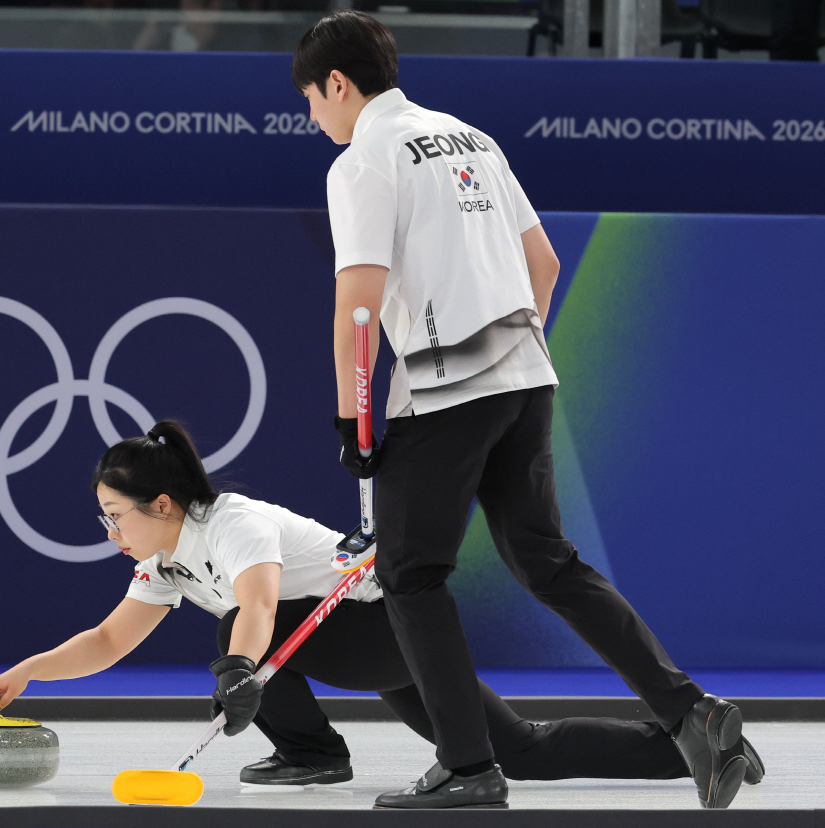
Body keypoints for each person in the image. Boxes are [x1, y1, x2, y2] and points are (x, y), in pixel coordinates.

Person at [296, 10, 758, 810]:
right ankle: (691, 709)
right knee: (549, 562)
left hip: (442, 394)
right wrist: (511, 355)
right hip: (526, 374)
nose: (313, 118)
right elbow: (540, 264)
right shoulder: (472, 137)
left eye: (311, 99)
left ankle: (469, 768)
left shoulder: (363, 161)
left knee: (409, 577)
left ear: (339, 83)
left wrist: (354, 422)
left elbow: (358, 313)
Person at [0, 421, 763, 792]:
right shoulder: (164, 557)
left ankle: (316, 753)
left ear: (161, 502)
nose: (109, 529)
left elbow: (255, 608)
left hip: (380, 626)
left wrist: (241, 670)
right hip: (368, 645)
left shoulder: (234, 524)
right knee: (518, 750)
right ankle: (692, 744)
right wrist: (30, 673)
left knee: (234, 634)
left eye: (115, 514)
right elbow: (111, 639)